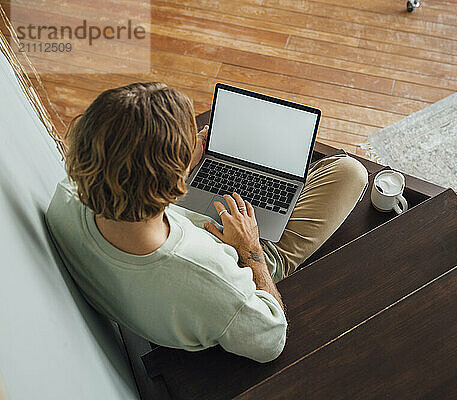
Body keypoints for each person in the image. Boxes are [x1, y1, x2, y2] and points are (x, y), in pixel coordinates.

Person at [46, 82, 368, 363]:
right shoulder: (216, 282)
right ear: (170, 184)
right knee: (350, 172)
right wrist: (250, 248)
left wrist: (183, 165)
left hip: (183, 220)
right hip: (237, 254)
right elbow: (272, 339)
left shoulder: (66, 200)